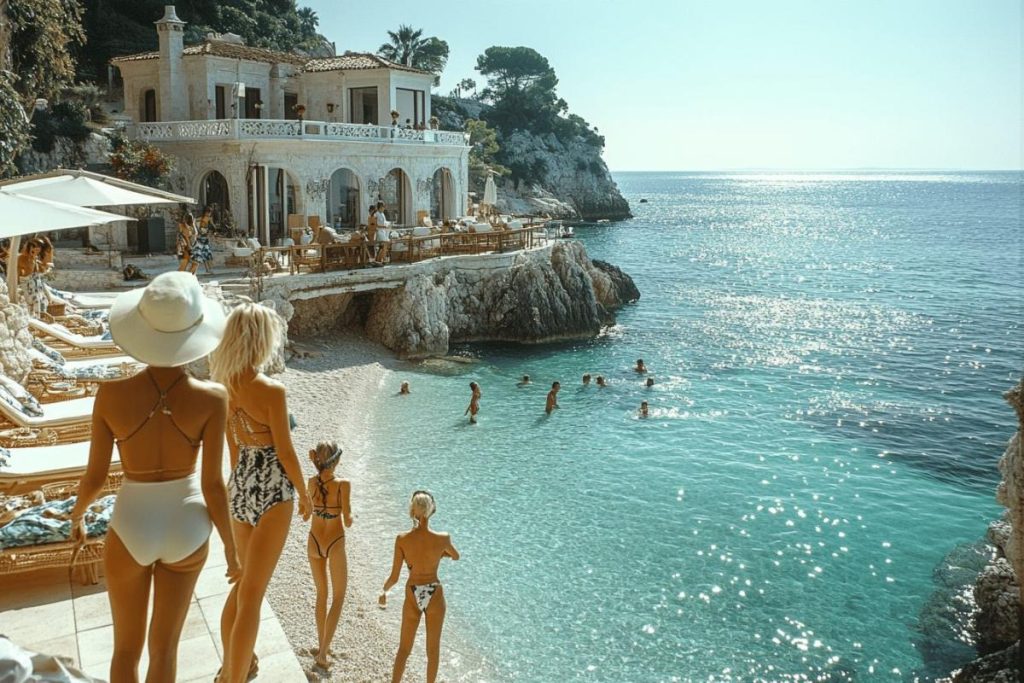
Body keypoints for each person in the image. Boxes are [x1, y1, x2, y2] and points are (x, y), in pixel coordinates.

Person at [69, 272, 240, 683]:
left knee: (125, 650)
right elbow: (213, 483)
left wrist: (77, 515)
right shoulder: (214, 398)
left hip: (132, 524)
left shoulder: (109, 396)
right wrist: (232, 550)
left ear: (142, 329)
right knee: (165, 649)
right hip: (188, 527)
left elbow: (94, 477)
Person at [209, 302, 312, 683]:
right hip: (272, 489)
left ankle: (234, 666)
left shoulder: (223, 387)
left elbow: (233, 448)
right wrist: (304, 493)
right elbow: (284, 451)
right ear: (260, 341)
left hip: (241, 485)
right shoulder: (271, 390)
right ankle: (232, 679)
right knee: (253, 593)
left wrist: (240, 487)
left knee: (242, 587)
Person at [379, 490, 460, 683]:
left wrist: (383, 591)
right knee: (432, 650)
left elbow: (394, 577)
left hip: (413, 592)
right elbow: (456, 556)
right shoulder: (443, 538)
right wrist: (441, 554)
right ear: (431, 511)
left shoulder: (402, 539)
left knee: (404, 649)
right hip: (434, 591)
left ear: (413, 511)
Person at [306, 441, 352, 671]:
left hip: (313, 541)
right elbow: (348, 520)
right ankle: (323, 654)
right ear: (336, 461)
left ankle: (322, 643)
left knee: (321, 595)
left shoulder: (311, 482)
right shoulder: (343, 484)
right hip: (334, 542)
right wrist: (352, 515)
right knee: (339, 596)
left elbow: (305, 515)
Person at [17, 239, 49, 317]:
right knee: (34, 302)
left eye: (39, 247)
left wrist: (40, 264)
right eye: (34, 247)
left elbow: (40, 271)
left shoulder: (35, 259)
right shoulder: (22, 258)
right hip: (27, 287)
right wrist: (32, 259)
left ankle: (41, 318)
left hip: (36, 287)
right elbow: (27, 272)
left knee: (43, 301)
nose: (37, 249)